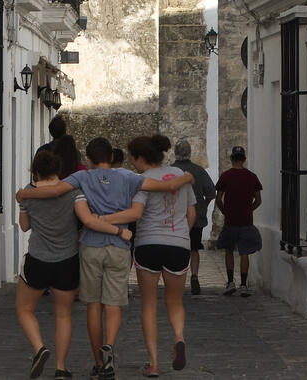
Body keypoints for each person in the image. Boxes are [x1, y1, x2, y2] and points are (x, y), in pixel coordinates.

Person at [16, 136, 194, 380]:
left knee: (93, 304)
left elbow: (55, 190)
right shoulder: (129, 177)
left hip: (91, 245)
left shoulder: (82, 178)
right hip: (119, 246)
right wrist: (186, 177)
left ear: (88, 160)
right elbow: (166, 187)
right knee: (113, 305)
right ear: (111, 157)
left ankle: (99, 361)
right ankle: (109, 345)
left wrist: (23, 195)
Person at [17, 149, 133, 379]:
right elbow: (87, 220)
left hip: (38, 259)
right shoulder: (75, 193)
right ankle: (61, 367)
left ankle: (39, 348)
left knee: (24, 309)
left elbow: (24, 226)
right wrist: (119, 231)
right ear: (58, 171)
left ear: (36, 171)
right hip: (67, 261)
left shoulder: (28, 193)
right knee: (63, 315)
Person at [103, 135, 196, 377]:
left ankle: (153, 363)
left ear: (140, 157)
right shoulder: (180, 175)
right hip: (179, 244)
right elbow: (192, 214)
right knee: (175, 302)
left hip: (148, 245)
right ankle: (178, 337)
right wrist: (180, 233)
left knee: (149, 305)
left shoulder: (140, 181)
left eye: (133, 159)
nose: (132, 164)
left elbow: (136, 213)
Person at [215, 145, 263, 298]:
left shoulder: (225, 176)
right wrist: (249, 209)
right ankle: (243, 285)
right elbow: (258, 200)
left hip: (230, 221)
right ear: (244, 159)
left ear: (231, 159)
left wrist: (224, 211)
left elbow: (218, 199)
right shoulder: (252, 177)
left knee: (229, 251)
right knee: (245, 253)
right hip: (246, 221)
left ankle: (230, 283)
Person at [171, 138, 216, 295]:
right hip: (196, 217)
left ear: (175, 153)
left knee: (177, 248)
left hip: (175, 218)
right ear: (189, 153)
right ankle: (194, 276)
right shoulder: (199, 171)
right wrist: (204, 205)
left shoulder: (170, 171)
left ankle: (178, 276)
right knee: (194, 248)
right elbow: (211, 192)